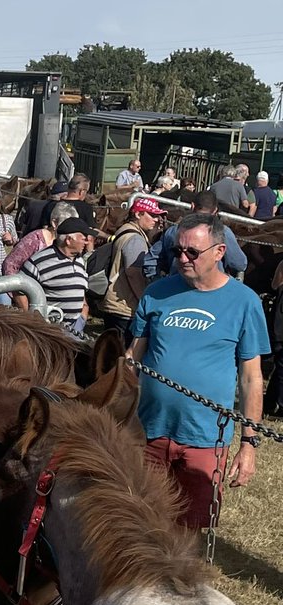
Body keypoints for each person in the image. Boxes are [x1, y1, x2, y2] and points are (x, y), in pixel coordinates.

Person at [127, 212, 270, 529]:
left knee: (189, 533)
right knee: (140, 524)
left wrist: (249, 445)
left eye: (192, 252)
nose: (182, 258)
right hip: (148, 432)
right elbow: (132, 359)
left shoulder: (244, 302)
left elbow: (251, 378)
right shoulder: (156, 292)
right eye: (177, 250)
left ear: (219, 252)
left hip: (205, 438)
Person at [96, 195, 168, 335]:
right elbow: (133, 274)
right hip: (125, 307)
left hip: (116, 304)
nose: (156, 219)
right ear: (138, 214)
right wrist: (144, 301)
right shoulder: (135, 239)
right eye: (152, 215)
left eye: (158, 216)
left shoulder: (124, 230)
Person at [15, 216, 94, 333]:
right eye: (84, 238)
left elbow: (80, 287)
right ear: (68, 240)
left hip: (76, 326)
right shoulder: (39, 261)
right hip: (51, 329)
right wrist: (34, 319)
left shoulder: (80, 261)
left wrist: (83, 313)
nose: (87, 242)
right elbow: (19, 289)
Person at [143, 190, 247, 280]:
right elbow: (239, 264)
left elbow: (150, 260)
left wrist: (157, 283)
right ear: (215, 210)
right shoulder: (223, 232)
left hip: (174, 291)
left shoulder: (173, 231)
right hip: (211, 293)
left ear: (192, 206)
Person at [3, 201, 77, 276]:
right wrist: (18, 285)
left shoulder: (68, 242)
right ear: (54, 223)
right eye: (66, 225)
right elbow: (10, 264)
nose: (70, 229)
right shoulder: (34, 239)